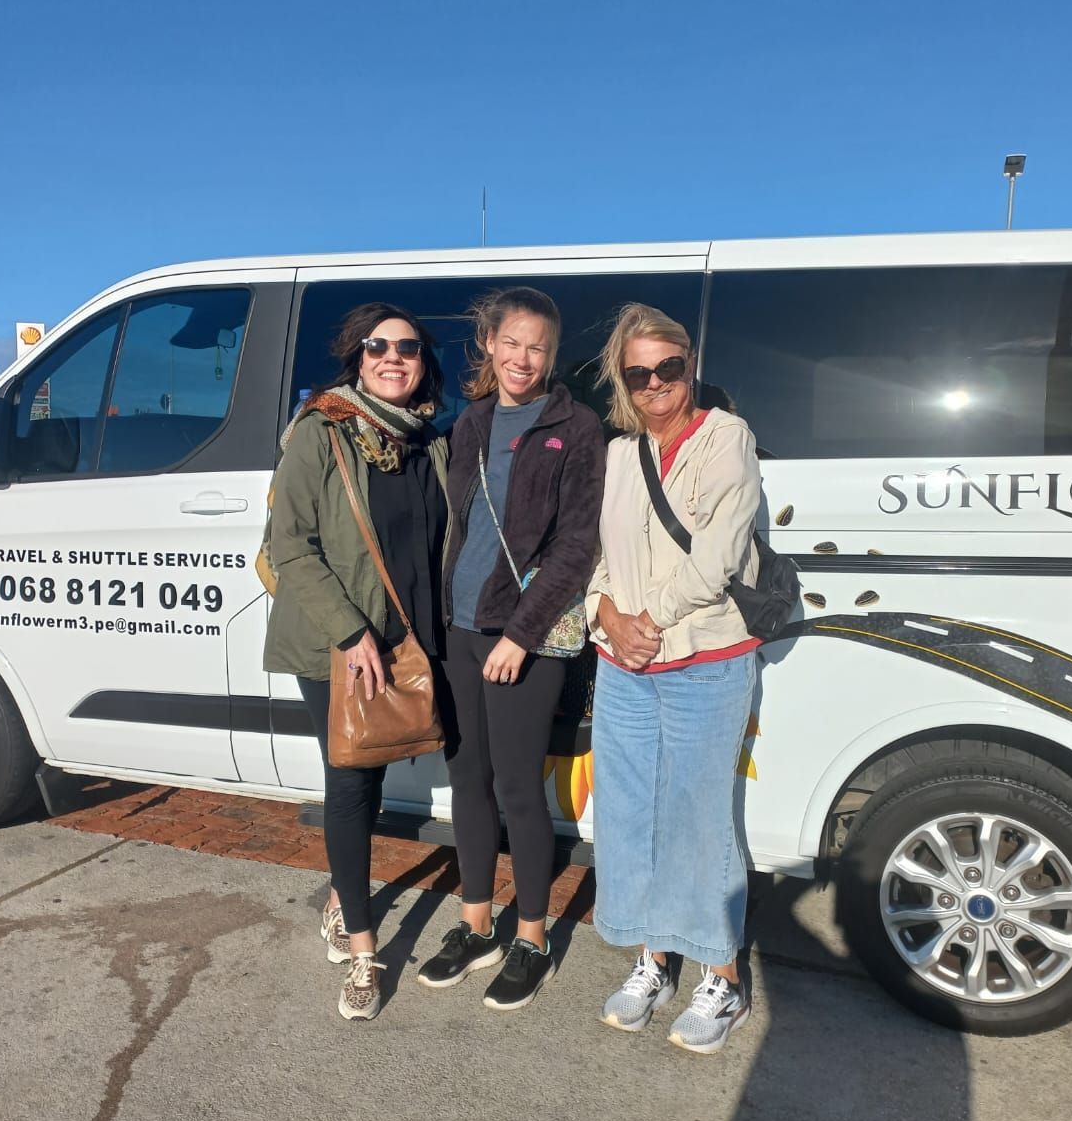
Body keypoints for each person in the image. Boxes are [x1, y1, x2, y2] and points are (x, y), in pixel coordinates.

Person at [418, 287, 605, 1010]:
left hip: (522, 639)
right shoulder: (470, 422)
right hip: (461, 629)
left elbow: (576, 545)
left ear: (551, 357)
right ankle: (474, 924)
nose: (524, 358)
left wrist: (521, 636)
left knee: (519, 790)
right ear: (489, 344)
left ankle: (530, 937)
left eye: (539, 348)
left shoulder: (576, 426)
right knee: (467, 784)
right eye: (513, 342)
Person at [263, 303, 450, 1023]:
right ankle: (365, 949)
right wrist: (350, 634)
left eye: (407, 347)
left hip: (402, 635)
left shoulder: (425, 439)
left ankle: (343, 894)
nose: (393, 357)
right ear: (358, 357)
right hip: (338, 642)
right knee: (348, 779)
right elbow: (292, 546)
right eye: (378, 347)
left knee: (367, 773)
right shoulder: (323, 430)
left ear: (422, 360)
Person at [586, 302, 762, 1054]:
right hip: (624, 666)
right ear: (622, 382)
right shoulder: (620, 455)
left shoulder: (726, 437)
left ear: (690, 365)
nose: (657, 384)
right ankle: (651, 960)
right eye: (640, 373)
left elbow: (717, 557)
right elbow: (596, 555)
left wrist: (643, 619)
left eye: (670, 368)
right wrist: (604, 615)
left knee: (697, 820)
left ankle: (721, 978)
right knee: (628, 816)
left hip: (705, 661)